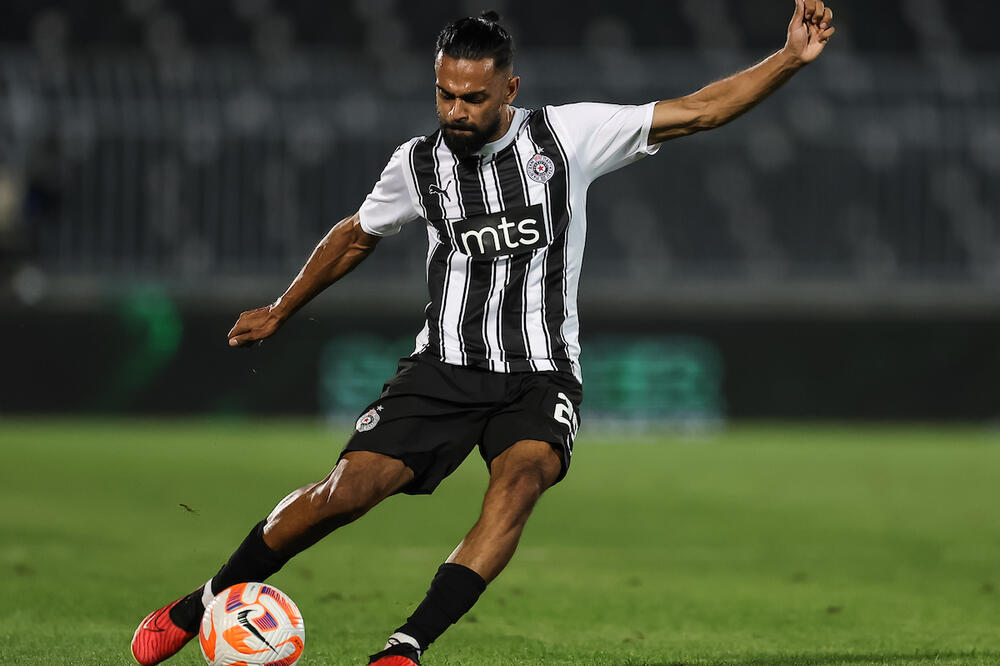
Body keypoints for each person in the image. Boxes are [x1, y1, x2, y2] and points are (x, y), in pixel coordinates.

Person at [131, 2, 835, 664]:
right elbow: (357, 234)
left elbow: (700, 111)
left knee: (519, 484)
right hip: (443, 367)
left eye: (473, 98)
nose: (455, 112)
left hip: (540, 374)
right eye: (445, 95)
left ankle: (403, 647)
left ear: (509, 89)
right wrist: (283, 307)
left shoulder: (567, 137)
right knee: (345, 492)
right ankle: (205, 602)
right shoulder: (418, 163)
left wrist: (787, 59)